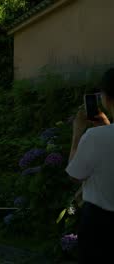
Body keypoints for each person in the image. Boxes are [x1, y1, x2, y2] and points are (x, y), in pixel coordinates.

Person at [66, 68, 114, 263]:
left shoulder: (95, 137)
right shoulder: (102, 134)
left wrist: (77, 133)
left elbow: (75, 174)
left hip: (100, 226)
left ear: (107, 97)